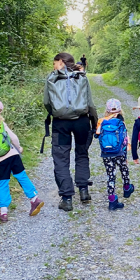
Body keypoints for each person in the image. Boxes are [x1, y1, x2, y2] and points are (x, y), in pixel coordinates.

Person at [44, 52, 98, 211]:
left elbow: (47, 102)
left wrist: (54, 112)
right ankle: (83, 191)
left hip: (61, 123)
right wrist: (94, 122)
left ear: (61, 62)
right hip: (82, 121)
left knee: (61, 158)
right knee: (82, 154)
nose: (54, 66)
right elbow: (90, 103)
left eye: (55, 63)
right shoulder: (82, 77)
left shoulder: (51, 78)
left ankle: (67, 198)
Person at [96, 98, 135, 211]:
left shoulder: (101, 121)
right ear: (120, 109)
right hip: (119, 152)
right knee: (124, 169)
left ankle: (112, 200)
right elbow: (125, 138)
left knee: (110, 175)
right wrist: (126, 152)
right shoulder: (120, 122)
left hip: (106, 153)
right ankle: (127, 188)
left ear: (107, 110)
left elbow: (97, 134)